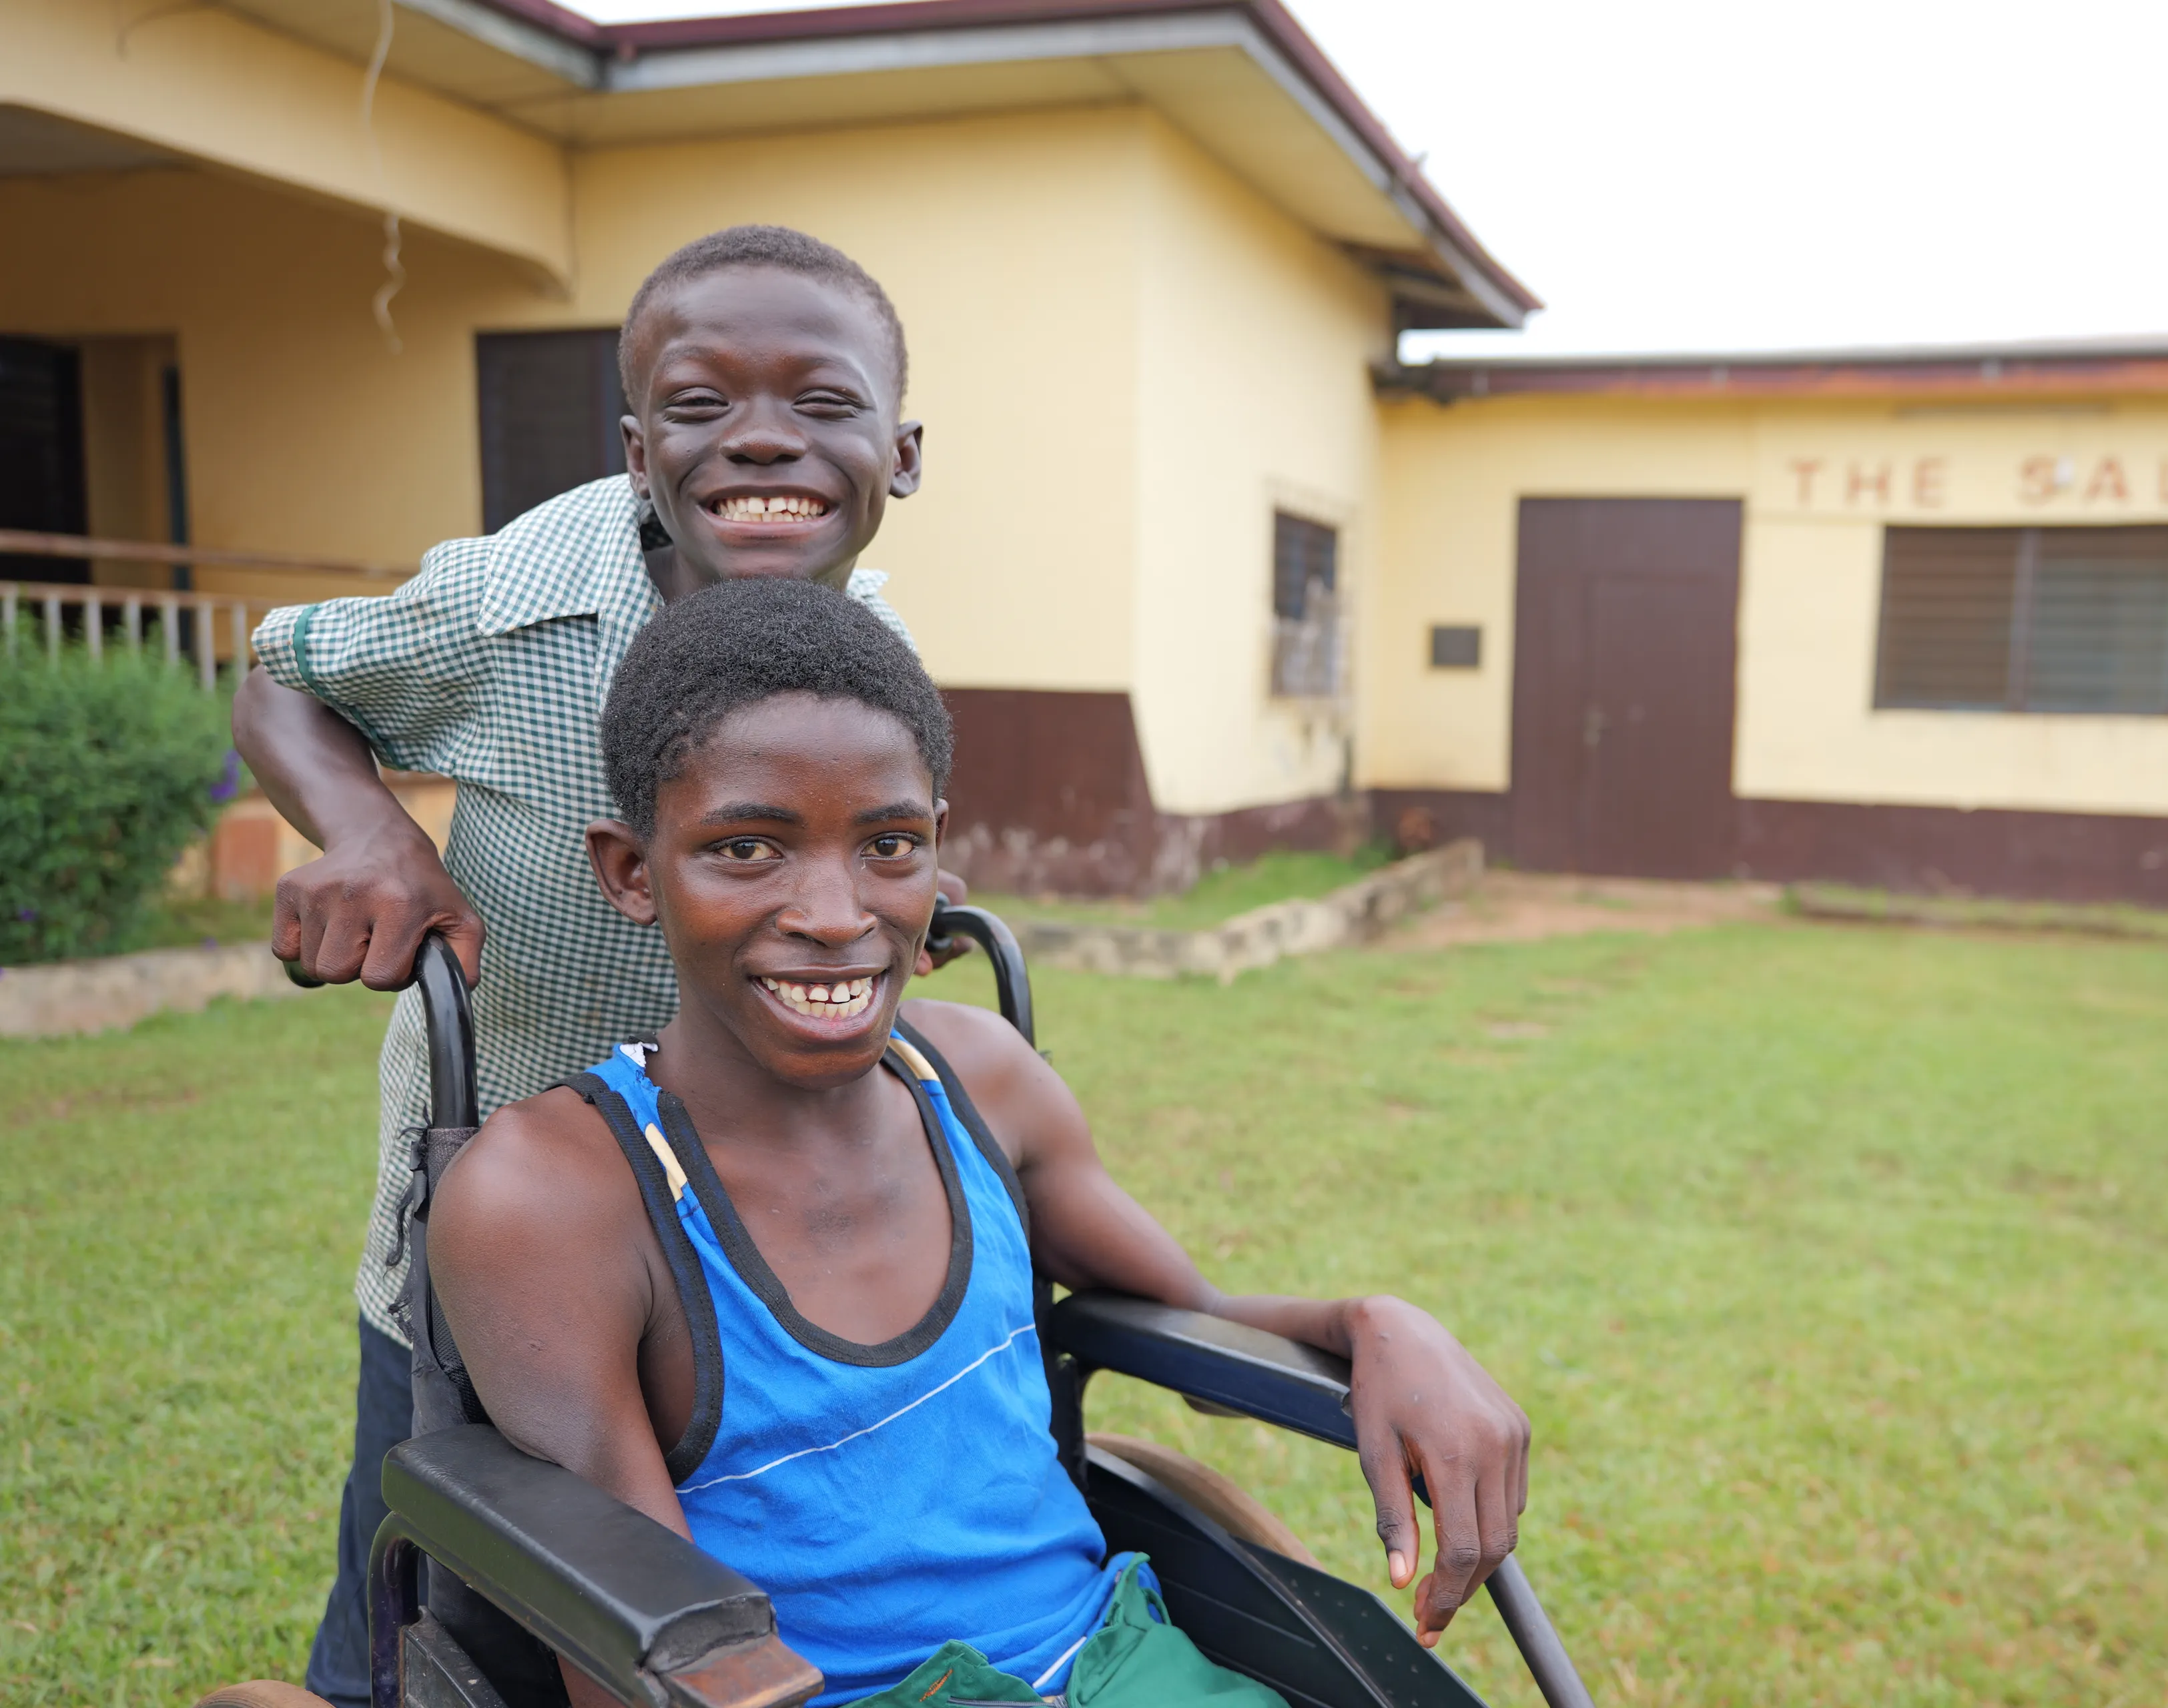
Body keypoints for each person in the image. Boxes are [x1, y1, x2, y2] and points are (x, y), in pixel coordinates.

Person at [427, 576, 1533, 1708]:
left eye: (888, 844)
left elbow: (1189, 1325)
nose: (836, 914)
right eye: (748, 850)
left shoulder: (983, 1080)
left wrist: (1378, 1325)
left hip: (1119, 1668)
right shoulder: (551, 1199)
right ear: (632, 872)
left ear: (938, 850)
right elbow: (635, 1639)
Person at [232, 225, 936, 1708]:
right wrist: (371, 833)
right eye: (700, 404)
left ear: (901, 449)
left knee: (716, 1567)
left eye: (822, 404)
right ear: (634, 447)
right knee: (436, 1582)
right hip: (512, 1216)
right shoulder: (512, 605)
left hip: (752, 1248)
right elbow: (282, 671)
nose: (759, 439)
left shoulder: (874, 658)